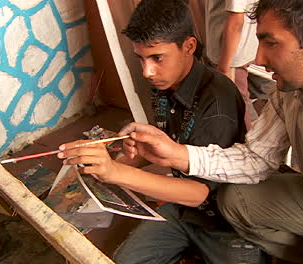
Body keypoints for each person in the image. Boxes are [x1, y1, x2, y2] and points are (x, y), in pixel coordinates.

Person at [115, 0, 303, 263]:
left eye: (270, 43)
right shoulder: (288, 93)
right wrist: (176, 154)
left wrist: (118, 172)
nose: (258, 59)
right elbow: (254, 159)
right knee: (236, 201)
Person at [57, 0, 256, 263]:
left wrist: (116, 172)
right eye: (140, 58)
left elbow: (200, 193)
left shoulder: (217, 102)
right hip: (182, 210)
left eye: (157, 58)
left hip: (226, 221)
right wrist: (132, 155)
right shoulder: (165, 82)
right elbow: (171, 148)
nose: (147, 72)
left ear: (189, 46)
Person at [205, 0, 259, 129]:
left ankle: (251, 144)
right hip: (229, 55)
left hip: (231, 57)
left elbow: (236, 22)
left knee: (237, 107)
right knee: (239, 104)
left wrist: (224, 68)